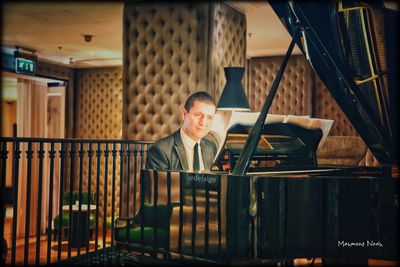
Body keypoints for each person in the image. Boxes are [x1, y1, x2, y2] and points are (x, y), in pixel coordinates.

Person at [146, 91, 218, 171]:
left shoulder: (212, 148)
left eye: (209, 118)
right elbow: (159, 184)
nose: (203, 123)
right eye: (198, 115)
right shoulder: (161, 150)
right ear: (184, 114)